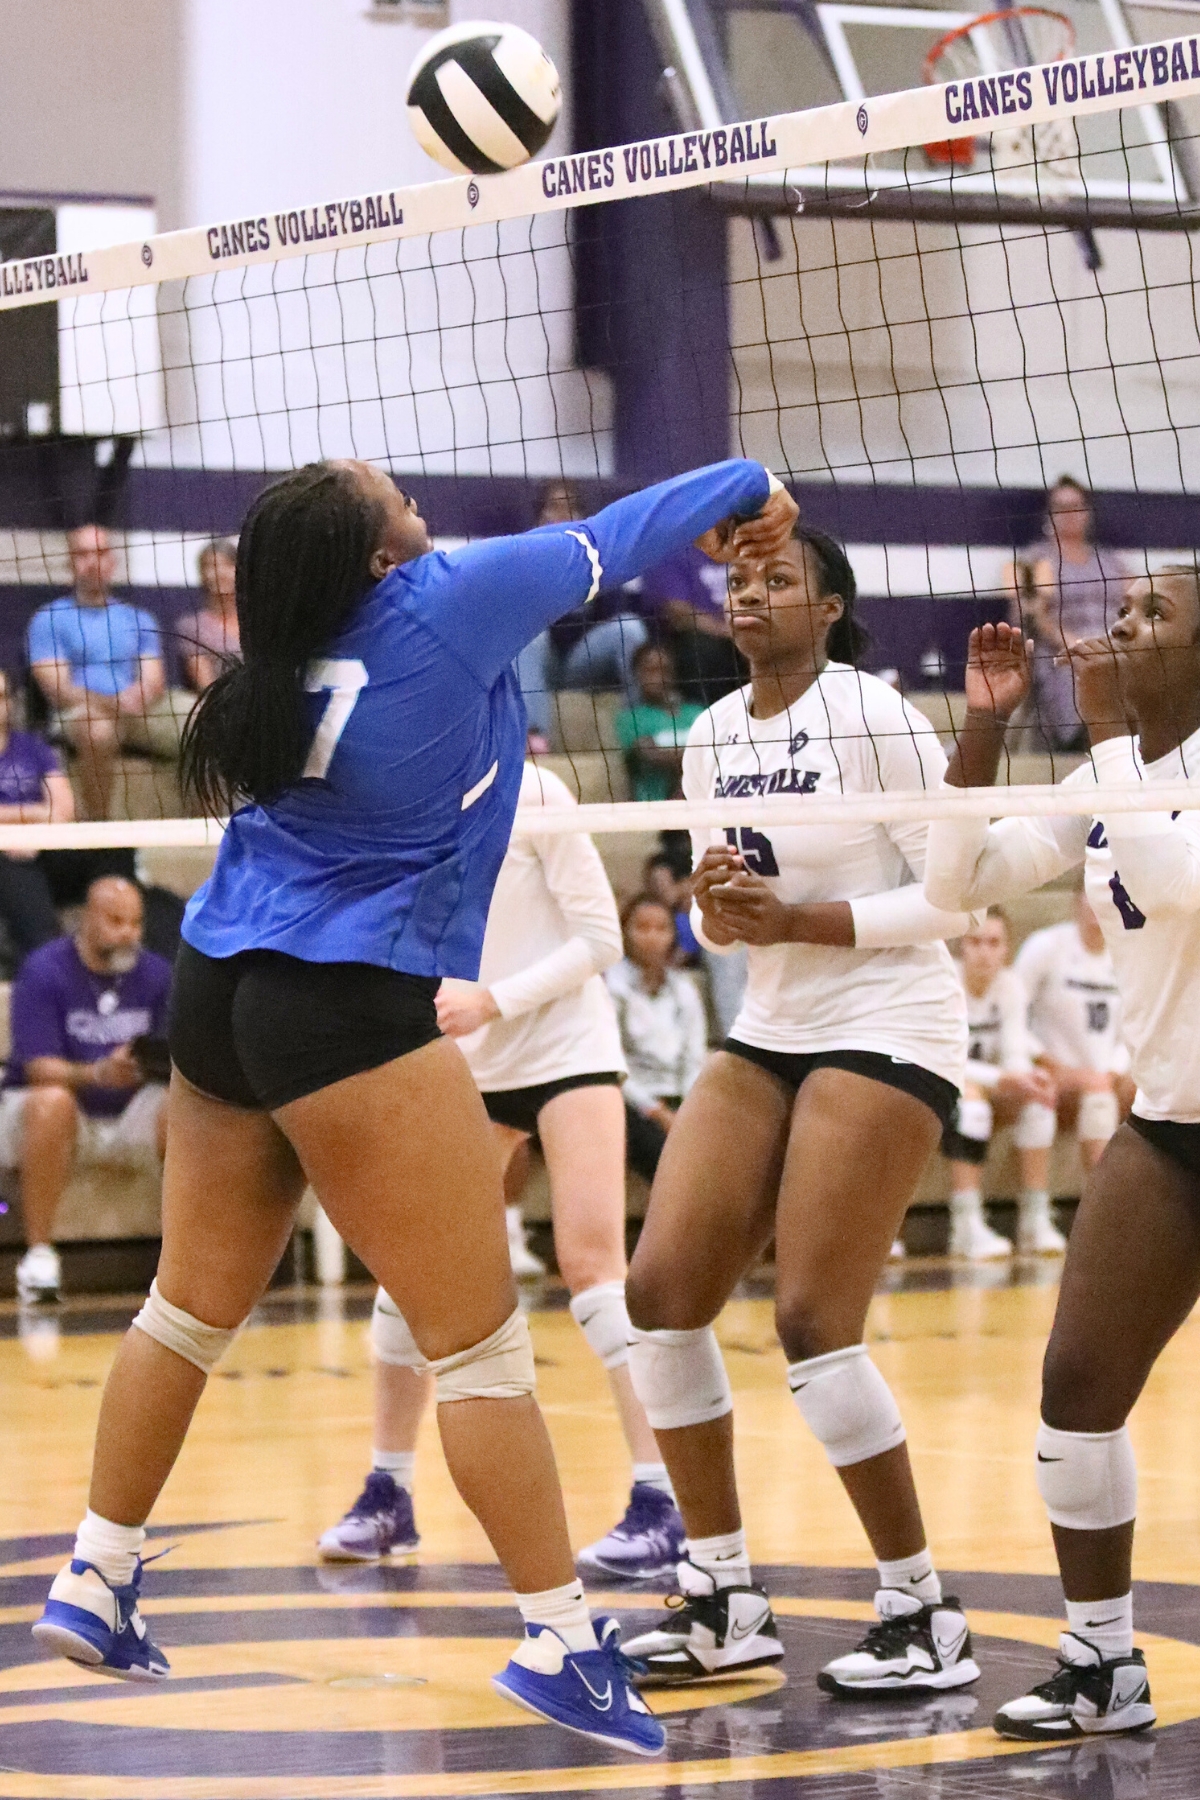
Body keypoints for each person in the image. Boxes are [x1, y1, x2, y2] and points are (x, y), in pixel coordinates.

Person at [31, 453, 797, 1755]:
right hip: (346, 1005)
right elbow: (621, 530)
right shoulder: (446, 598)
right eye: (389, 494)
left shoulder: (288, 642)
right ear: (381, 553)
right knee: (480, 1346)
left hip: (218, 983)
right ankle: (562, 1639)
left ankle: (96, 1575)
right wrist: (753, 480)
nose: (412, 500)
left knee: (185, 1306)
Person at [619, 522, 983, 1698]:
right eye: (739, 580)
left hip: (890, 1013)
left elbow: (951, 897)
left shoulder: (874, 714)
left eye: (780, 580)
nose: (753, 594)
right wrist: (721, 913)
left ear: (829, 610)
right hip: (774, 1018)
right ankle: (723, 1595)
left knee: (815, 1320)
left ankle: (920, 1608)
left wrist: (797, 923)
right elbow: (717, 914)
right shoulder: (713, 735)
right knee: (659, 1296)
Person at [923, 588, 1200, 1740]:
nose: (1125, 622)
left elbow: (1184, 882)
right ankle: (1101, 1660)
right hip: (1173, 1127)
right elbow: (956, 883)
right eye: (1123, 606)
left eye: (1157, 611)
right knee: (1078, 1385)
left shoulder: (1117, 765)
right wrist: (986, 729)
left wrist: (1098, 731)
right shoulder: (1102, 777)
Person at [319, 763, 685, 1580]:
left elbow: (600, 940)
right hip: (470, 1061)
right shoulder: (403, 791)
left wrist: (496, 1000)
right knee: (409, 1272)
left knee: (592, 1266)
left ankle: (662, 1503)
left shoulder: (539, 795)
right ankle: (389, 1494)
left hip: (563, 1047)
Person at [1, 877, 171, 1303]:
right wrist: (97, 1073)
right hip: (57, 1111)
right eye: (116, 921)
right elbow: (39, 1067)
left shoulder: (157, 973)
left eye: (136, 922)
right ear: (86, 919)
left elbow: (176, 1052)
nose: (128, 933)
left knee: (187, 1106)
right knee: (52, 1101)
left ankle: (189, 1259)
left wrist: (150, 1066)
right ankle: (39, 1256)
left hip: (132, 1109)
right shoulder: (43, 970)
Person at [27, 525, 192, 820]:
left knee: (203, 719)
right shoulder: (48, 619)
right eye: (83, 554)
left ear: (113, 561)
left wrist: (139, 695)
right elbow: (59, 690)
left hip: (139, 709)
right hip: (83, 711)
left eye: (101, 553)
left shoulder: (137, 617)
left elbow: (153, 677)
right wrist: (114, 703)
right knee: (97, 730)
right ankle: (101, 833)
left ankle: (208, 828)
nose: (93, 561)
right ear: (70, 563)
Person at [943, 911, 1062, 1259]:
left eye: (993, 943)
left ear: (1006, 950)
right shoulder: (945, 982)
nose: (984, 952)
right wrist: (1002, 1078)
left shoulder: (1010, 986)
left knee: (1039, 1098)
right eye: (975, 942)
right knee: (972, 1104)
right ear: (961, 946)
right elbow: (945, 1059)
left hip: (984, 1084)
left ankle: (1034, 1219)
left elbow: (1014, 1058)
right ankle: (965, 1226)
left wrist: (1026, 1078)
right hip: (937, 1085)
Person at [1015, 886, 1134, 1182]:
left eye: (1108, 898)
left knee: (1107, 1095)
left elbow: (1135, 1028)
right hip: (1051, 1070)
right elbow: (1012, 1014)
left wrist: (1110, 1073)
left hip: (1103, 1078)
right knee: (1043, 1098)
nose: (1098, 908)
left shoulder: (1127, 956)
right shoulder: (1045, 946)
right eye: (1092, 896)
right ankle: (1035, 1215)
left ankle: (1105, 1211)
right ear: (1077, 901)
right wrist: (1048, 1063)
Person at [1006, 478, 1128, 752]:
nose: (1069, 514)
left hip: (1114, 648)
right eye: (1061, 507)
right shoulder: (1036, 560)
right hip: (1061, 651)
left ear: (1088, 512)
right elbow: (1030, 615)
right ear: (1049, 514)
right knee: (1070, 670)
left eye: (1076, 506)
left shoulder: (1111, 561)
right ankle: (1076, 741)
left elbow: (1133, 605)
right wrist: (1074, 643)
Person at [606, 894, 708, 1184]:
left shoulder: (683, 988)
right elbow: (614, 1066)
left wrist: (688, 1108)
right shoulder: (611, 987)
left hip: (681, 1095)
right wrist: (659, 1113)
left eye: (661, 928)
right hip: (633, 1102)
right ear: (625, 932)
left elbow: (694, 1055)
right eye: (642, 927)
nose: (652, 937)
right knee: (669, 1158)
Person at [0, 669, 74, 974]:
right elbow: (50, 810)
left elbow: (64, 808)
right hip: (8, 856)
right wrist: (36, 814)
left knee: (117, 852)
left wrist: (27, 828)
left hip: (41, 845)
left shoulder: (31, 746)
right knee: (16, 869)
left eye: (2, 696)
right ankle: (44, 966)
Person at [640, 541, 748, 707]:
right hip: (694, 639)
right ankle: (707, 716)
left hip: (743, 630)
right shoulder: (672, 549)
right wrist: (725, 630)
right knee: (702, 649)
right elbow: (678, 612)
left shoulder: (743, 547)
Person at [616, 644, 703, 803]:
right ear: (637, 675)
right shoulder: (631, 719)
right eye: (651, 670)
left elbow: (717, 752)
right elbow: (652, 755)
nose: (659, 677)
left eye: (665, 670)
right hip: (657, 807)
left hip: (703, 803)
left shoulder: (698, 712)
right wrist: (695, 755)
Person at [175, 539, 240, 693]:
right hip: (218, 704)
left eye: (228, 564)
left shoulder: (259, 624)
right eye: (211, 566)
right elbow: (206, 685)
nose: (220, 572)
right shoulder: (192, 627)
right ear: (202, 574)